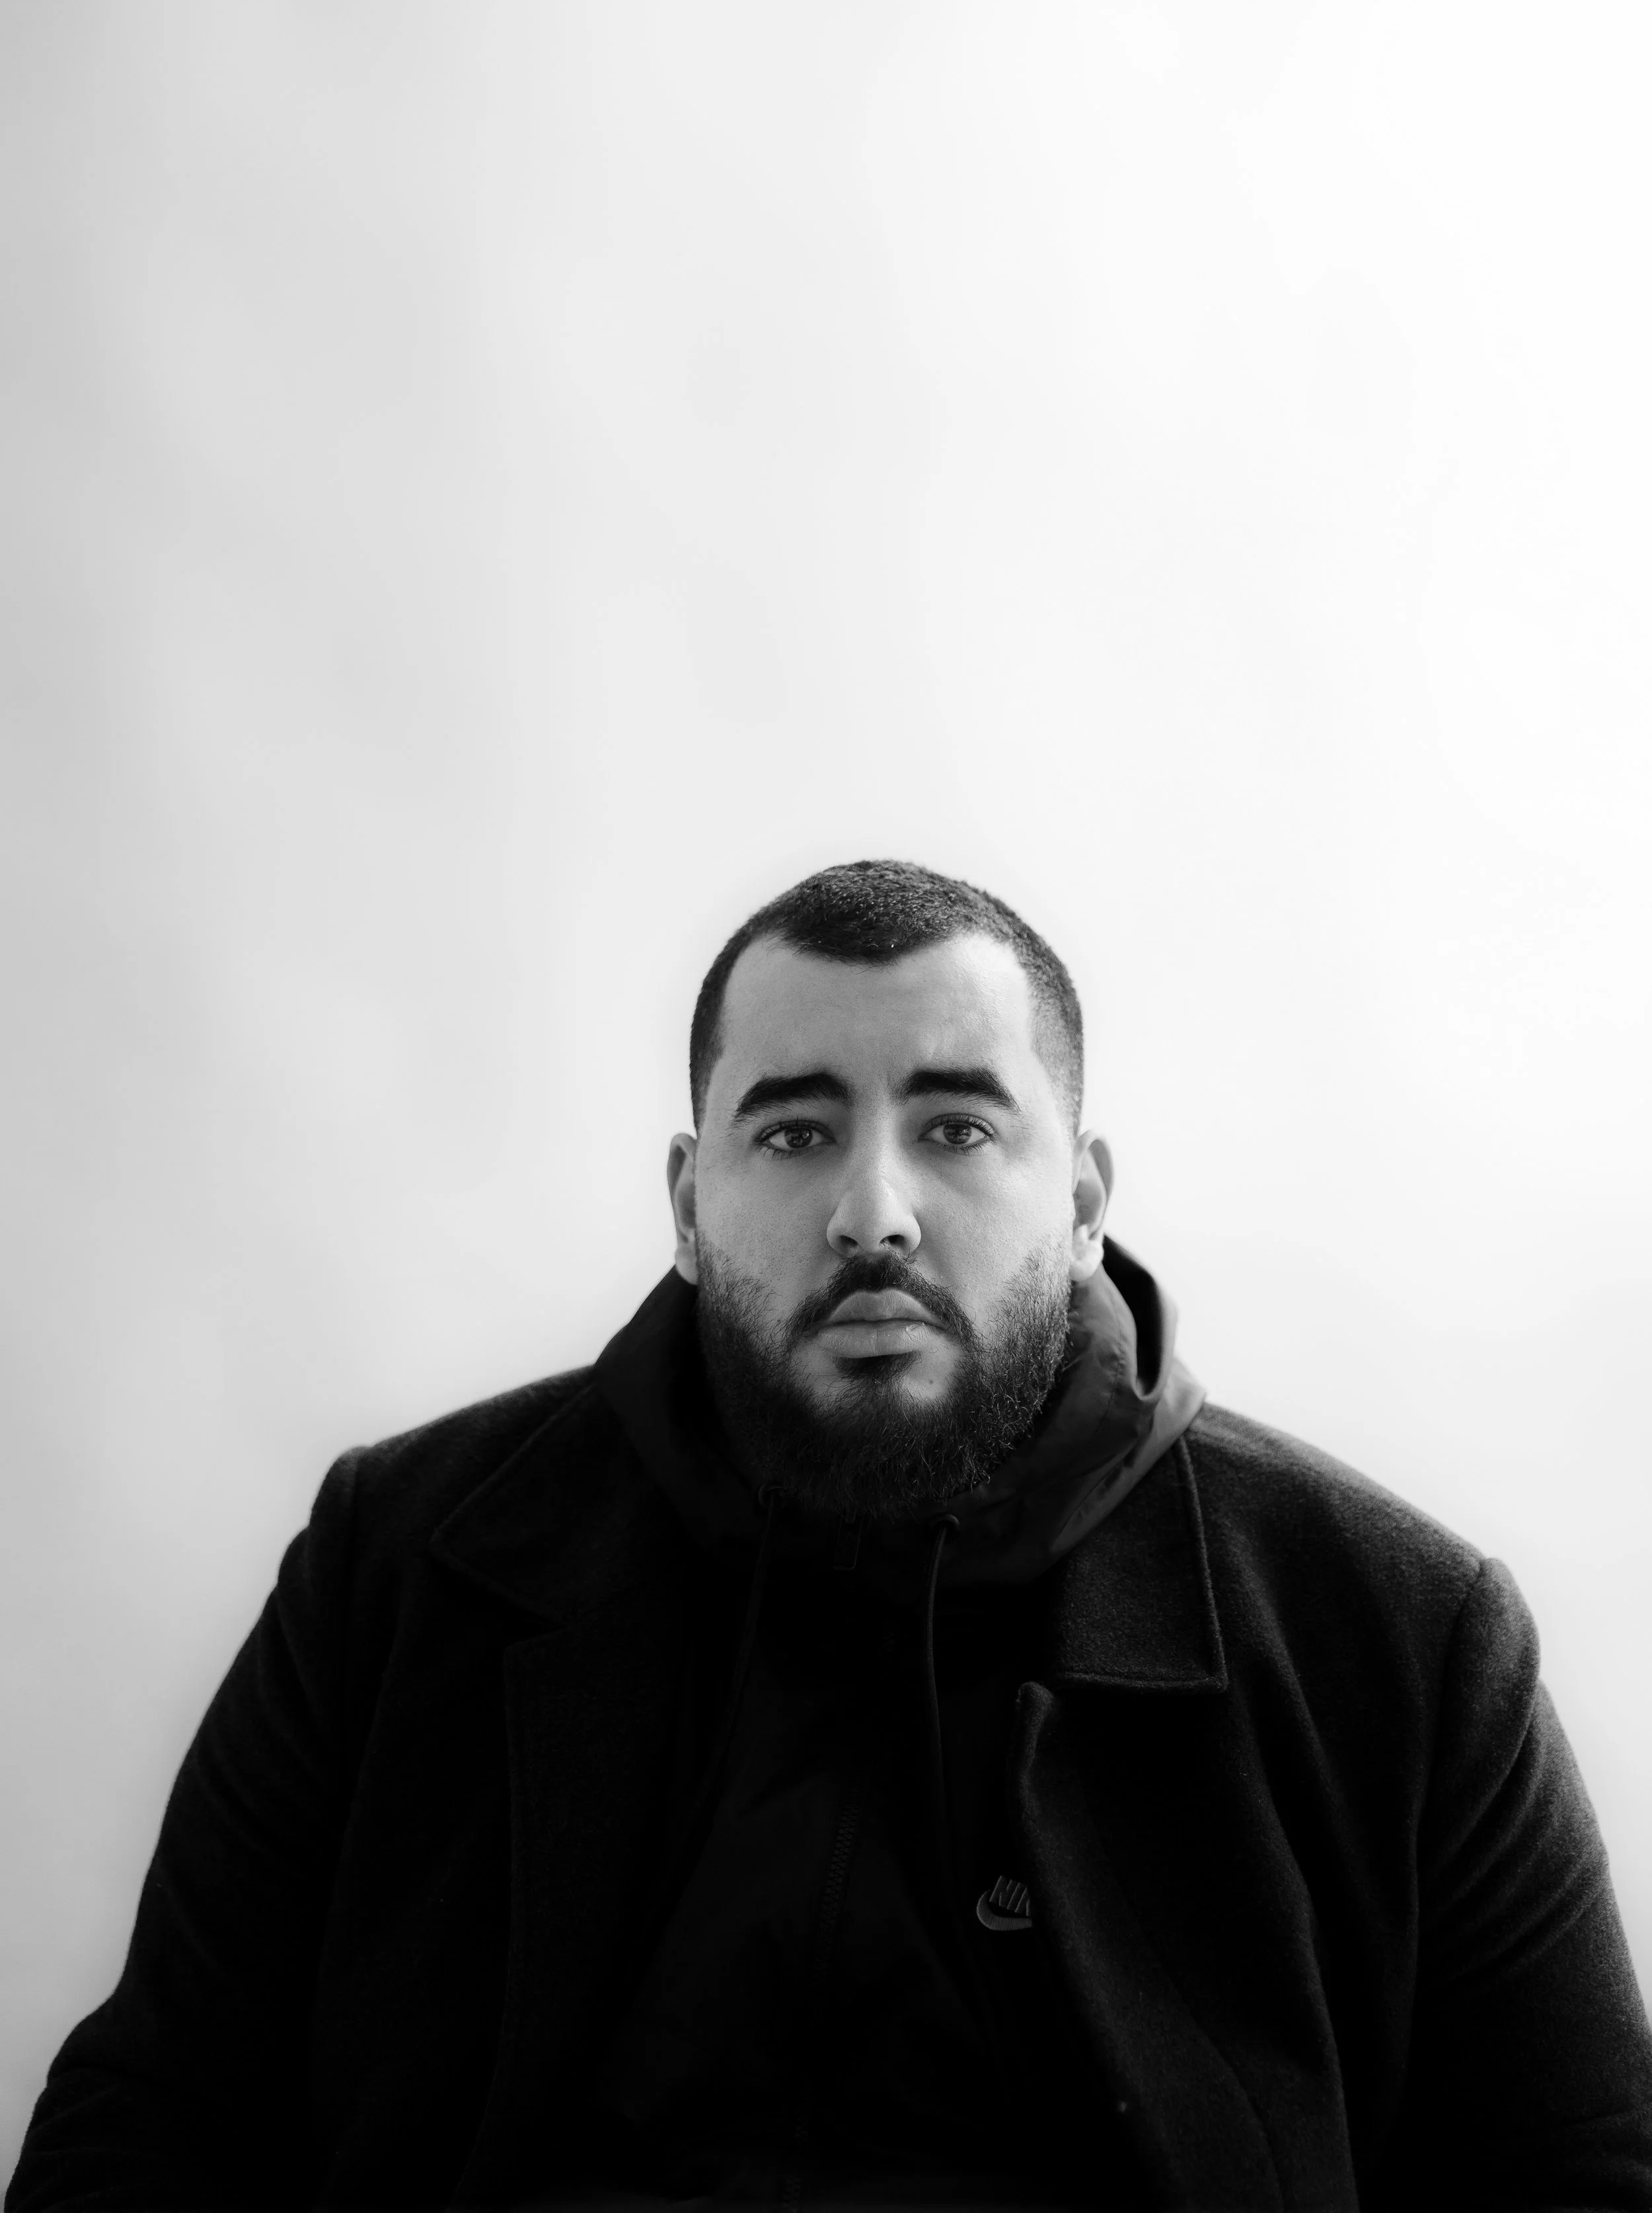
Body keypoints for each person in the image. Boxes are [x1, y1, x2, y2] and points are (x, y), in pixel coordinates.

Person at [10, 859, 1652, 2213]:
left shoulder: (1398, 1631)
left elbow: (1577, 2180)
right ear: (686, 1201)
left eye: (956, 1128)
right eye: (794, 1132)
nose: (873, 1212)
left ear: (1083, 1202)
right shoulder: (403, 1560)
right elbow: (151, 2121)